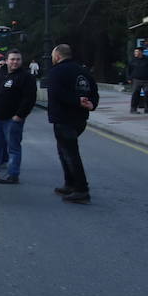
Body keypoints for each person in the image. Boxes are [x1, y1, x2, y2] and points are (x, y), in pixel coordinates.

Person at [47, 44, 99, 203]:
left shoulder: (56, 72)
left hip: (64, 118)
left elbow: (57, 93)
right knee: (65, 152)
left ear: (57, 56)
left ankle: (81, 189)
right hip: (80, 119)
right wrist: (91, 104)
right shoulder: (83, 71)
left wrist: (76, 101)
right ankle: (69, 183)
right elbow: (94, 91)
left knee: (70, 154)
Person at [0, 50, 37, 184]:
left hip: (12, 119)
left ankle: (13, 174)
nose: (15, 62)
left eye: (18, 59)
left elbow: (29, 98)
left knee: (13, 147)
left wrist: (20, 115)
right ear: (6, 60)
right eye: (12, 59)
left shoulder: (25, 77)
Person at [128, 46, 148, 114]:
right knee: (135, 94)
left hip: (147, 80)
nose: (135, 53)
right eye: (135, 52)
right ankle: (133, 109)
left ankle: (147, 109)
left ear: (141, 52)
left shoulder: (147, 59)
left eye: (137, 52)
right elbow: (129, 70)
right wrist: (129, 78)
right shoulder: (133, 60)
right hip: (136, 80)